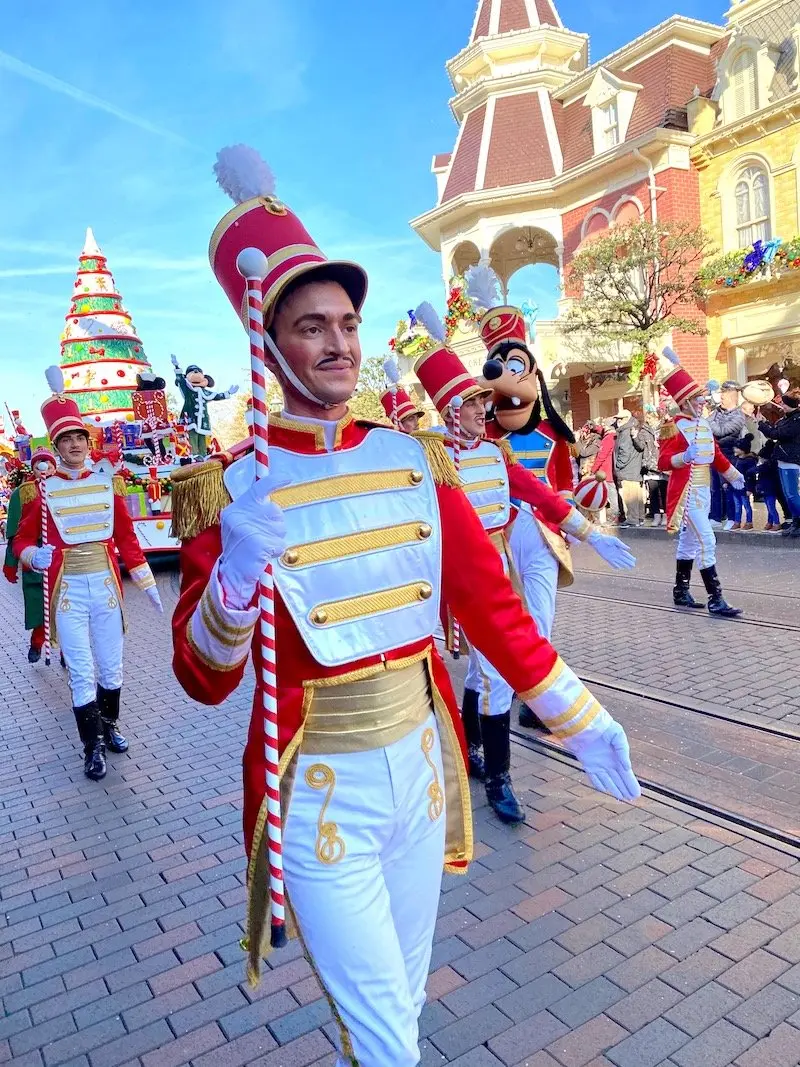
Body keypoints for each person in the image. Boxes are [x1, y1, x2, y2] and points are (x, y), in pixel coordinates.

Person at [169, 146, 640, 1067]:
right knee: (389, 1034)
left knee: (403, 1006)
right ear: (269, 345)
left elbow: (494, 608)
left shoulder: (410, 460)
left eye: (346, 322)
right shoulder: (226, 491)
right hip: (318, 792)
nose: (340, 343)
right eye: (311, 327)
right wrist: (230, 577)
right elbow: (200, 679)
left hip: (424, 774)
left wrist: (581, 719)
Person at [414, 343, 635, 823]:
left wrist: (590, 532)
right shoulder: (429, 461)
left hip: (502, 569)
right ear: (451, 409)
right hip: (463, 580)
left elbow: (538, 493)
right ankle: (499, 777)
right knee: (494, 675)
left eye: (482, 401)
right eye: (472, 403)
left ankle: (475, 748)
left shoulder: (495, 454)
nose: (483, 409)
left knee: (483, 672)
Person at [14, 369, 163, 780]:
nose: (75, 445)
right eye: (66, 440)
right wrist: (32, 555)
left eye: (79, 437)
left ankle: (110, 725)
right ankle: (91, 746)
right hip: (68, 593)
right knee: (81, 670)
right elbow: (20, 541)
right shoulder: (40, 492)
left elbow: (128, 540)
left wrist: (147, 584)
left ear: (87, 441)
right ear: (56, 446)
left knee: (112, 667)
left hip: (105, 587)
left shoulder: (106, 485)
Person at [658, 350, 744, 616]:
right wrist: (683, 457)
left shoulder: (704, 425)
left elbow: (716, 454)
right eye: (697, 399)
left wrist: (733, 474)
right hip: (687, 494)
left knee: (690, 543)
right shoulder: (674, 427)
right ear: (684, 401)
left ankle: (680, 591)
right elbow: (662, 462)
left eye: (703, 398)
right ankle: (715, 597)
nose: (702, 403)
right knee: (707, 539)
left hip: (704, 490)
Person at [3, 450, 54, 662]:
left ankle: (67, 651)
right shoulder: (23, 493)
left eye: (49, 463)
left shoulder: (65, 487)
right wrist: (10, 563)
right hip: (33, 559)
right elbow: (15, 531)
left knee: (64, 609)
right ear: (33, 468)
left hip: (62, 560)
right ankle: (37, 640)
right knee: (39, 608)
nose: (45, 467)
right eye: (39, 463)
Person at [171, 356, 239, 457]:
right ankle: (194, 455)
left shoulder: (204, 392)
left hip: (203, 420)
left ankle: (203, 455)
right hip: (191, 419)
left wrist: (228, 393)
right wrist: (177, 366)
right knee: (192, 436)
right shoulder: (188, 391)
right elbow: (180, 380)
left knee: (202, 437)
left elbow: (216, 396)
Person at [759, 382, 800, 538]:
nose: (781, 405)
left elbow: (778, 434)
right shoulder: (787, 419)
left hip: (791, 460)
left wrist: (762, 425)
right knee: (787, 494)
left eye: (784, 403)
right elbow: (776, 430)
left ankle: (798, 520)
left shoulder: (796, 420)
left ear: (791, 405)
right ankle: (795, 521)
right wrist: (764, 423)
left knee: (792, 494)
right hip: (783, 460)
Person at [709, 381, 746, 530]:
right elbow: (709, 424)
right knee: (715, 488)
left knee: (729, 488)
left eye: (723, 397)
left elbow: (721, 431)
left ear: (731, 397)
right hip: (715, 454)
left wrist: (709, 422)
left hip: (729, 456)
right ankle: (716, 517)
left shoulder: (739, 416)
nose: (721, 400)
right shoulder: (718, 411)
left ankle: (732, 517)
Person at [636, 413, 668, 526]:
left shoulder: (665, 428)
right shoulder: (643, 430)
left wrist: (660, 443)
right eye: (647, 417)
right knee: (653, 492)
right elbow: (640, 446)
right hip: (650, 465)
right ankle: (656, 515)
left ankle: (666, 515)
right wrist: (635, 437)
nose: (648, 420)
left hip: (662, 464)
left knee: (664, 492)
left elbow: (671, 442)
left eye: (651, 417)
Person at [614, 410, 644, 527]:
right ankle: (639, 517)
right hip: (634, 467)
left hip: (628, 468)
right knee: (636, 494)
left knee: (630, 495)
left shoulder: (625, 431)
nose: (618, 421)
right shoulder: (634, 427)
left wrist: (618, 466)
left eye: (620, 419)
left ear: (626, 418)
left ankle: (633, 519)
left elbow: (624, 451)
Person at [756, 440, 786, 531]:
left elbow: (754, 470)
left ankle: (776, 523)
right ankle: (770, 522)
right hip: (767, 489)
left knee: (771, 507)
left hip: (769, 490)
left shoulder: (767, 466)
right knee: (769, 508)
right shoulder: (770, 465)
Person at [730, 435, 757, 530]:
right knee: (737, 505)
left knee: (746, 505)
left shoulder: (749, 461)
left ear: (743, 449)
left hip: (744, 487)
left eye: (737, 448)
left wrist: (750, 488)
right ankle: (737, 522)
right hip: (735, 487)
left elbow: (751, 476)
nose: (735, 449)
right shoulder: (736, 459)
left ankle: (749, 522)